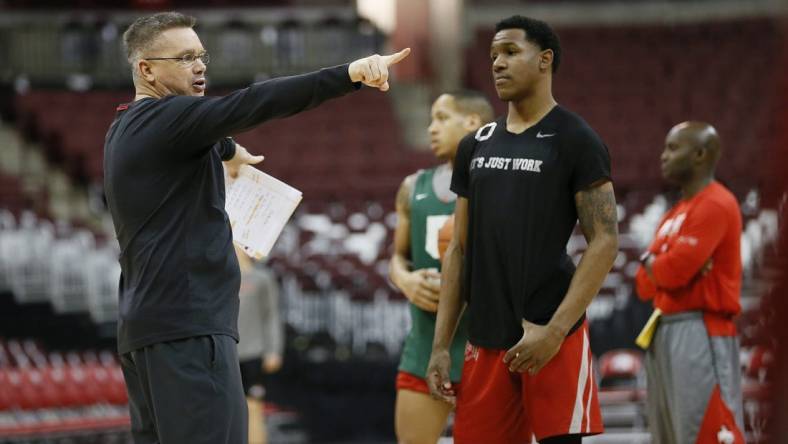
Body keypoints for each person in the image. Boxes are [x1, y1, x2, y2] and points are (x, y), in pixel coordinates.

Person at [103, 11, 409, 444]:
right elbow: (252, 102)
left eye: (201, 55)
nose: (200, 65)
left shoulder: (125, 127)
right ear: (147, 69)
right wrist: (349, 74)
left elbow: (206, 134)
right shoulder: (171, 118)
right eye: (185, 57)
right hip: (190, 327)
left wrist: (227, 149)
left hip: (146, 330)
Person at [427, 15, 618, 444]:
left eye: (511, 52)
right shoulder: (475, 144)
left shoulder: (576, 138)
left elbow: (605, 241)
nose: (497, 63)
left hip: (552, 337)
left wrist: (554, 332)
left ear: (545, 59)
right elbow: (459, 249)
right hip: (486, 340)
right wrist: (441, 345)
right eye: (494, 54)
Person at [389, 91, 493, 444]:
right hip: (425, 345)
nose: (431, 128)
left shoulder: (503, 183)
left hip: (488, 350)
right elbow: (397, 257)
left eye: (442, 118)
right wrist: (405, 280)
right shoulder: (411, 187)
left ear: (473, 123)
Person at [635, 122, 744, 444]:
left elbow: (671, 273)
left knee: (709, 433)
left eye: (673, 148)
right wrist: (659, 265)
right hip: (663, 327)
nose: (663, 156)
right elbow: (644, 283)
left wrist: (657, 263)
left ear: (699, 154)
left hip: (701, 329)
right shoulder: (674, 214)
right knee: (668, 436)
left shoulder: (716, 203)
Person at [235, 245, 283, 444]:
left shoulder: (262, 278)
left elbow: (271, 315)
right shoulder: (217, 279)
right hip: (225, 354)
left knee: (253, 408)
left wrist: (274, 350)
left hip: (253, 353)